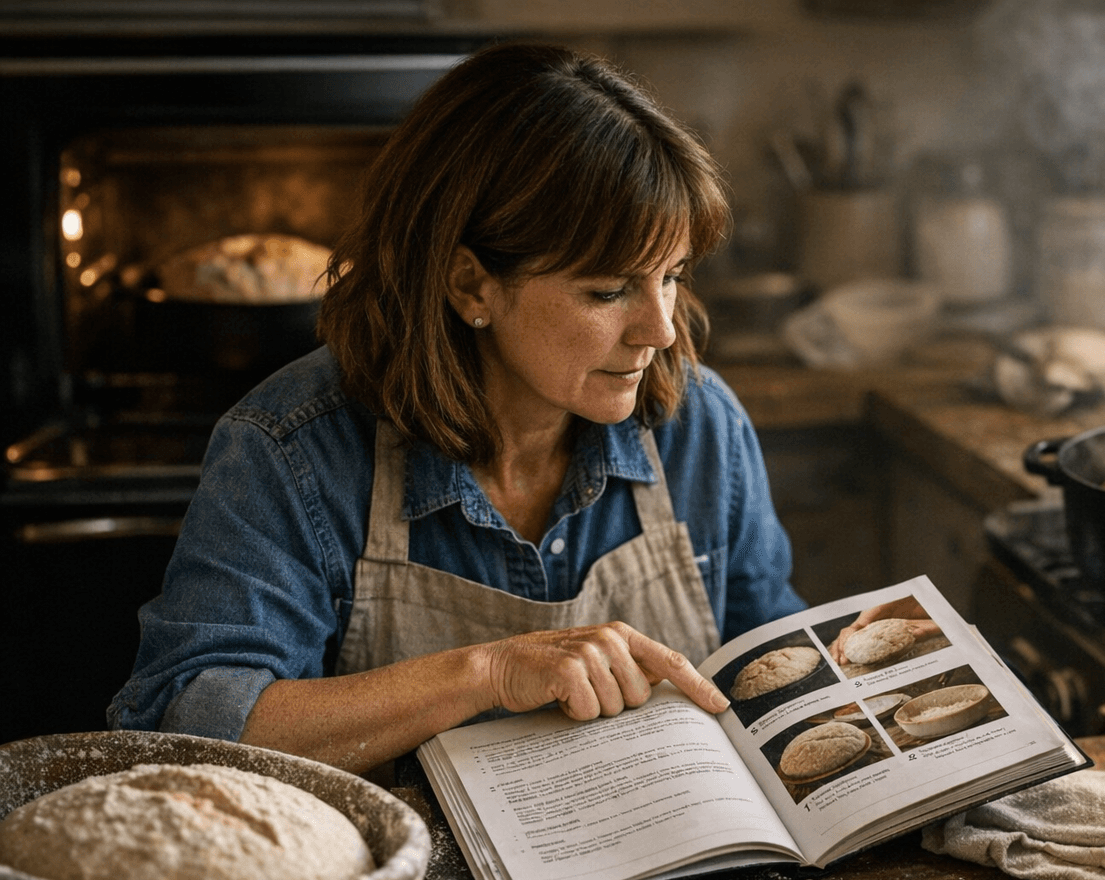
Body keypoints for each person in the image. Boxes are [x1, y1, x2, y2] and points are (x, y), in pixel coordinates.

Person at [108, 42, 806, 778]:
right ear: (471, 285)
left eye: (670, 277)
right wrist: (486, 675)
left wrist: (870, 687)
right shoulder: (291, 449)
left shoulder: (701, 427)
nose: (660, 330)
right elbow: (183, 724)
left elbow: (770, 665)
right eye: (608, 291)